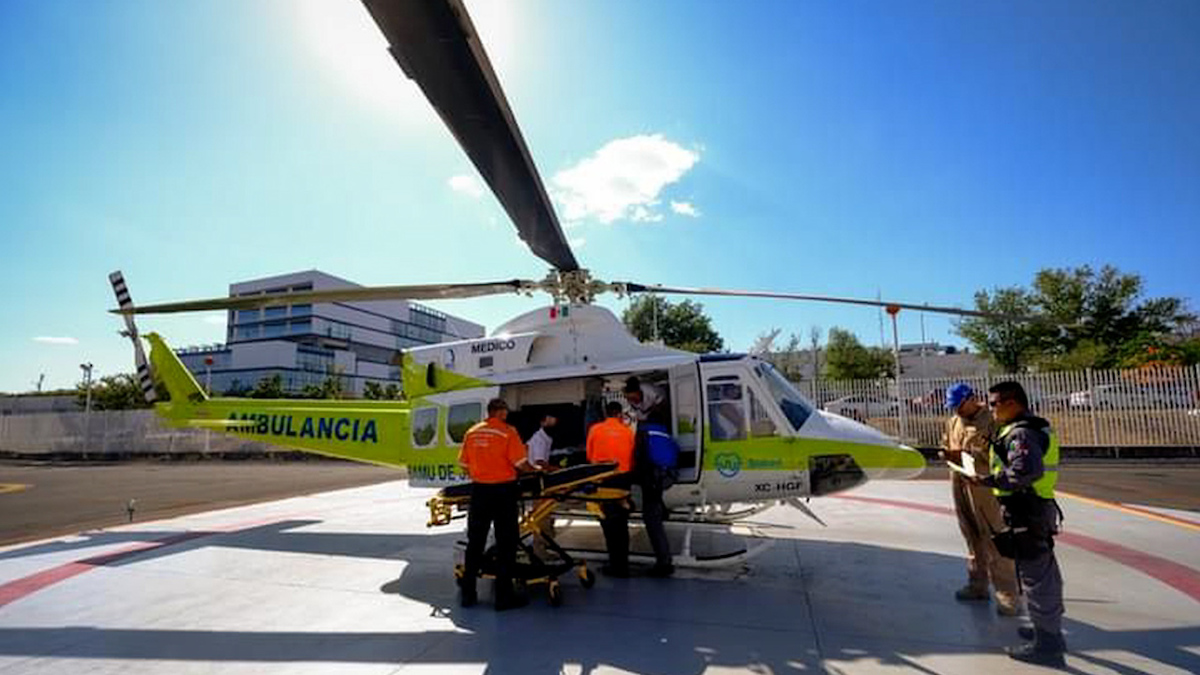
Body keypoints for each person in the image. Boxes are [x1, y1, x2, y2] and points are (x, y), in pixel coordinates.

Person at [970, 381, 1066, 668]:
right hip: (1033, 507)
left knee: (1036, 576)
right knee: (1041, 572)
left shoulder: (1022, 433)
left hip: (1028, 509)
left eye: (994, 403)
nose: (990, 409)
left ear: (1012, 403)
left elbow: (1023, 472)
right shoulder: (1030, 427)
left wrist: (987, 481)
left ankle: (1048, 645)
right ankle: (1047, 630)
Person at [942, 383, 1019, 615]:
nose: (956, 410)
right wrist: (947, 453)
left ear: (971, 399)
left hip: (985, 486)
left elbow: (1003, 454)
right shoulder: (954, 422)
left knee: (995, 538)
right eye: (953, 406)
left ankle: (1007, 594)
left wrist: (973, 455)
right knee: (971, 535)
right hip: (960, 482)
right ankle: (977, 584)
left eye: (959, 405)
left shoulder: (992, 421)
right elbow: (947, 442)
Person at [457, 398, 532, 610]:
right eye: (505, 411)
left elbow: (463, 464)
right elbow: (520, 463)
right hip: (503, 492)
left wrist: (480, 474)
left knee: (475, 542)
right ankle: (503, 598)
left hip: (479, 492)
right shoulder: (508, 432)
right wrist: (536, 470)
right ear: (501, 412)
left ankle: (468, 595)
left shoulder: (472, 432)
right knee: (506, 544)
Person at [586, 400, 636, 577]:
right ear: (620, 414)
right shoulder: (628, 431)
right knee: (622, 524)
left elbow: (589, 455)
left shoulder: (595, 429)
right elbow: (632, 457)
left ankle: (615, 565)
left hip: (603, 481)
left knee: (608, 523)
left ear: (606, 414)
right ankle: (623, 565)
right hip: (622, 482)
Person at [634, 404, 677, 577]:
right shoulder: (667, 435)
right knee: (655, 504)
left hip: (652, 479)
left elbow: (639, 457)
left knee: (652, 522)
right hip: (666, 478)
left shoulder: (643, 433)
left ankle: (664, 563)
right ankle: (661, 508)